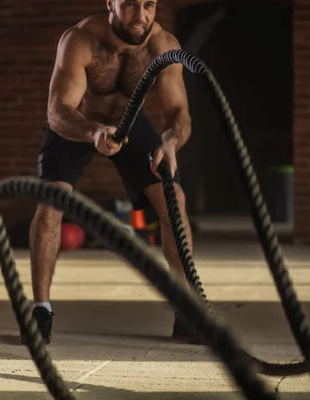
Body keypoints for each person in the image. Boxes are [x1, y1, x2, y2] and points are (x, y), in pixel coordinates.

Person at [27, 0, 200, 345]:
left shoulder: (164, 46)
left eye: (149, 4)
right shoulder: (80, 40)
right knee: (50, 206)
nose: (141, 16)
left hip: (132, 125)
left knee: (175, 200)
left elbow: (179, 112)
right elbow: (57, 110)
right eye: (131, 4)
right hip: (79, 123)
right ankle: (41, 310)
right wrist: (92, 132)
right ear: (111, 3)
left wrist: (171, 140)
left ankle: (186, 310)